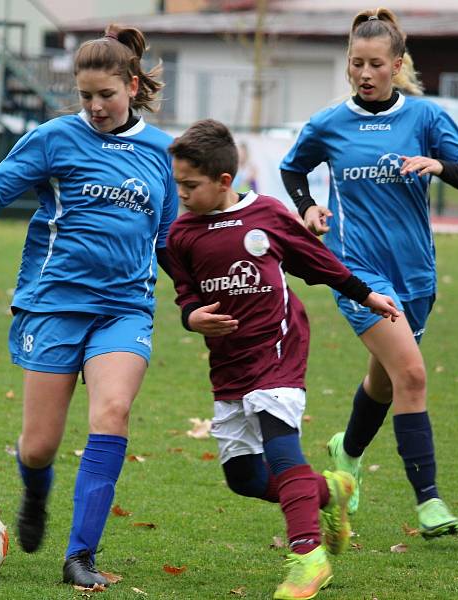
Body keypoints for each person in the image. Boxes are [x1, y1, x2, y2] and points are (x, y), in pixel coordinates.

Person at [0, 24, 178, 588]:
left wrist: (200, 301)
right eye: (86, 96)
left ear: (132, 85)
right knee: (39, 446)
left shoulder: (161, 153)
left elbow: (172, 240)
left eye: (107, 95)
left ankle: (81, 556)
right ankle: (34, 494)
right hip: (54, 304)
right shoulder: (55, 138)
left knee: (113, 414)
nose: (96, 107)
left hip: (126, 307)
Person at [166, 119, 400, 600]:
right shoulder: (180, 236)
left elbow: (317, 262)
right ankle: (329, 491)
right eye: (178, 185)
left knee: (280, 445)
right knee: (245, 478)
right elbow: (185, 295)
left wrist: (366, 294)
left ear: (224, 181)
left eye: (191, 185)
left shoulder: (267, 215)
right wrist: (193, 319)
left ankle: (307, 556)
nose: (182, 194)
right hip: (229, 364)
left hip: (278, 347)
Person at [280, 7, 458, 539]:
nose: (365, 74)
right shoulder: (329, 123)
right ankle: (430, 502)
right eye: (356, 64)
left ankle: (345, 452)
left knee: (386, 378)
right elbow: (292, 167)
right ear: (348, 66)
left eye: (375, 64)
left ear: (397, 65)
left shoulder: (425, 119)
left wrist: (438, 165)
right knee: (411, 375)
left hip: (416, 274)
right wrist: (307, 207)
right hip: (357, 272)